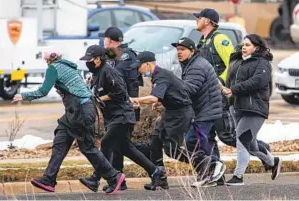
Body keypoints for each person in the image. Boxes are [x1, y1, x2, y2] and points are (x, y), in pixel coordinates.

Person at [12, 52, 125, 194]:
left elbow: (44, 90)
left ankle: (114, 176)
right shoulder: (70, 67)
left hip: (80, 111)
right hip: (77, 111)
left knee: (88, 147)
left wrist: (23, 95)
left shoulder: (53, 68)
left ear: (47, 60)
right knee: (60, 140)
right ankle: (48, 180)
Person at [194, 8, 271, 184]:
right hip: (206, 96)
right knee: (207, 135)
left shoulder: (220, 39)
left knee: (228, 135)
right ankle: (217, 174)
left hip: (220, 94)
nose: (196, 20)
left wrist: (224, 85)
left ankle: (263, 151)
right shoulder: (202, 41)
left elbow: (230, 64)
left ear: (207, 21)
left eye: (199, 18)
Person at [78, 45, 166, 192]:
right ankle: (155, 171)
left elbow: (120, 92)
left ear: (98, 59)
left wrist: (100, 99)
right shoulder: (98, 73)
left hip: (122, 115)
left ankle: (98, 178)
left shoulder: (108, 71)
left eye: (90, 60)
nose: (88, 63)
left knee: (106, 143)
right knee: (127, 148)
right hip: (114, 116)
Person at [130, 51, 198, 189]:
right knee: (155, 141)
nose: (138, 71)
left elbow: (154, 97)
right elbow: (163, 94)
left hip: (181, 113)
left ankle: (205, 164)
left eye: (139, 67)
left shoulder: (161, 76)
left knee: (171, 149)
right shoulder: (157, 76)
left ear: (148, 65)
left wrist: (135, 100)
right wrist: (159, 101)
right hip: (171, 111)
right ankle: (160, 178)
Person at [222, 34, 282, 186]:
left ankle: (238, 176)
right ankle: (273, 161)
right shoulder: (236, 60)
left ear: (257, 47)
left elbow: (257, 82)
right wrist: (228, 95)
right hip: (236, 106)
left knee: (242, 140)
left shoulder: (263, 63)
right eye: (243, 45)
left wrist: (234, 89)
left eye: (248, 45)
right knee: (251, 145)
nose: (244, 47)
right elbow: (229, 81)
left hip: (254, 109)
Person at [171, 37, 225, 187]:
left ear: (192, 51)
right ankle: (213, 176)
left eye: (182, 50)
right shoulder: (191, 63)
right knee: (205, 142)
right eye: (177, 50)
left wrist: (169, 89)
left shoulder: (196, 66)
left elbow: (189, 89)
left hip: (205, 111)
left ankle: (214, 166)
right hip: (205, 109)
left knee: (192, 141)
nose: (179, 53)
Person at [99, 26, 143, 191]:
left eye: (105, 39)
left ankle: (154, 168)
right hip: (112, 108)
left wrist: (132, 105)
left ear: (110, 40)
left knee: (119, 145)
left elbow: (131, 83)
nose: (103, 41)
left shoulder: (126, 56)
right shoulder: (111, 55)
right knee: (121, 145)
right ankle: (119, 179)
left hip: (124, 107)